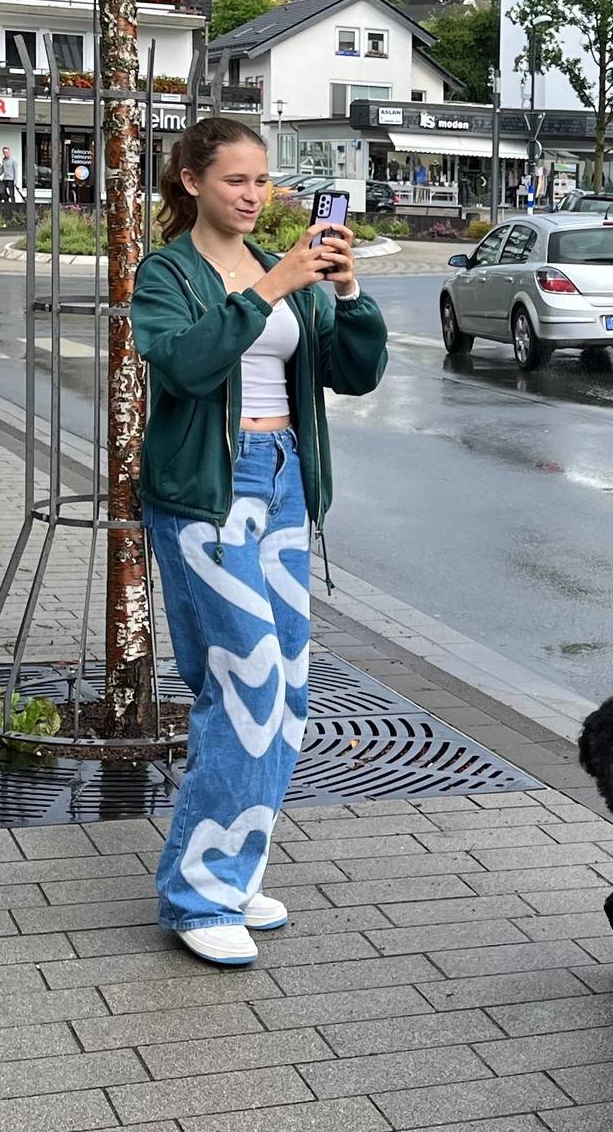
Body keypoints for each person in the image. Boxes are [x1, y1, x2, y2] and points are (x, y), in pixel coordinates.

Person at [132, 117, 385, 967]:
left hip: (282, 485)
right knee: (245, 684)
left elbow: (353, 374)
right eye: (235, 179)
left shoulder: (297, 275)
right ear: (192, 181)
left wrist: (347, 296)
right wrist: (269, 288)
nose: (253, 194)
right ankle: (197, 896)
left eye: (262, 180)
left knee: (289, 693)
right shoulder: (169, 272)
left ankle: (235, 871)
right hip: (208, 492)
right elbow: (184, 367)